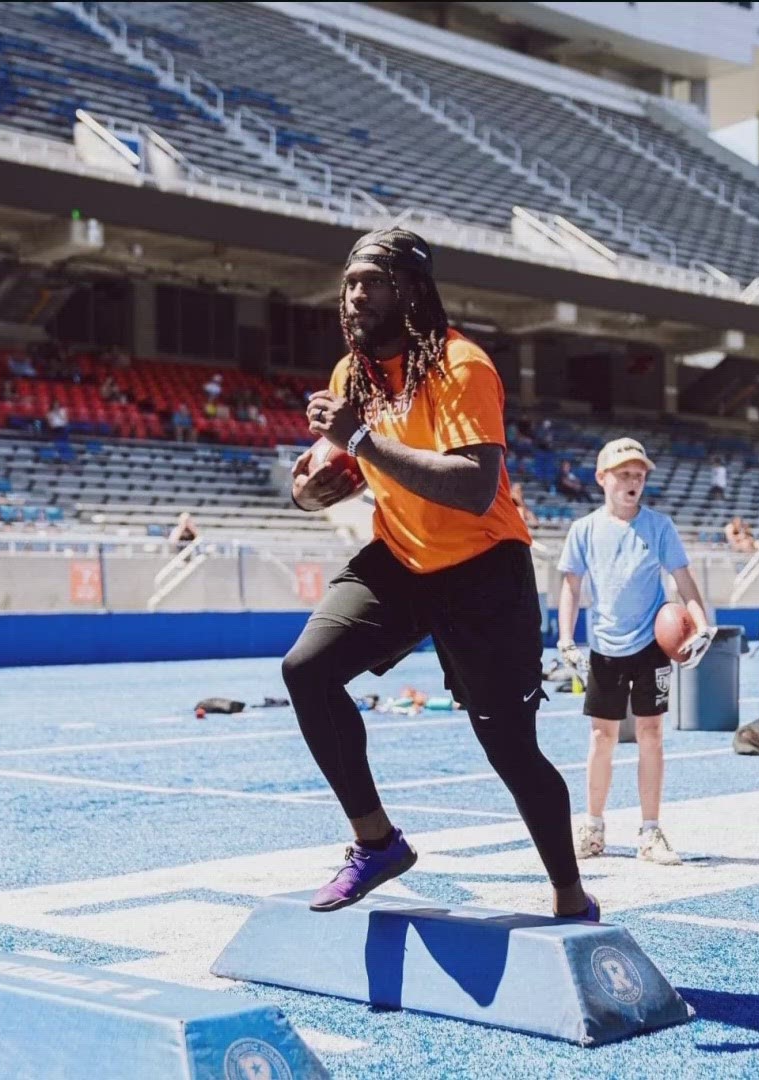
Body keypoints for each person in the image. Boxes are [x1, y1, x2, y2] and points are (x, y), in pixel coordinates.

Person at [283, 227, 594, 920]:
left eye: (372, 281)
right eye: (349, 282)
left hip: (483, 571)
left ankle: (571, 894)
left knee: (510, 750)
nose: (355, 294)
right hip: (400, 558)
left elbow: (473, 486)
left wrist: (360, 438)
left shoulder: (461, 365)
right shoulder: (351, 375)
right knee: (306, 669)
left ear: (411, 291)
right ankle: (376, 842)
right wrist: (310, 485)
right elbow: (340, 469)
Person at [557, 438, 713, 866]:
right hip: (605, 648)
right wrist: (565, 638)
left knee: (652, 735)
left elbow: (683, 580)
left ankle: (649, 831)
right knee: (601, 737)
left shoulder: (659, 526)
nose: (633, 481)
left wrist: (701, 627)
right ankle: (592, 827)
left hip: (650, 646)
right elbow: (571, 586)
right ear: (602, 478)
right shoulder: (584, 529)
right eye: (624, 474)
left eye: (639, 475)